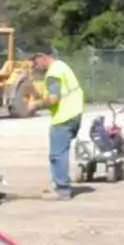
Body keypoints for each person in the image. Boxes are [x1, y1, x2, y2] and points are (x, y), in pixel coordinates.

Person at [35, 50, 85, 199]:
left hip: (63, 117)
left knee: (58, 155)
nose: (35, 65)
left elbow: (54, 98)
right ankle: (57, 185)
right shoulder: (62, 66)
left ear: (43, 57)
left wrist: (35, 105)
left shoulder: (53, 73)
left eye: (35, 61)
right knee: (58, 153)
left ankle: (62, 189)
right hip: (75, 113)